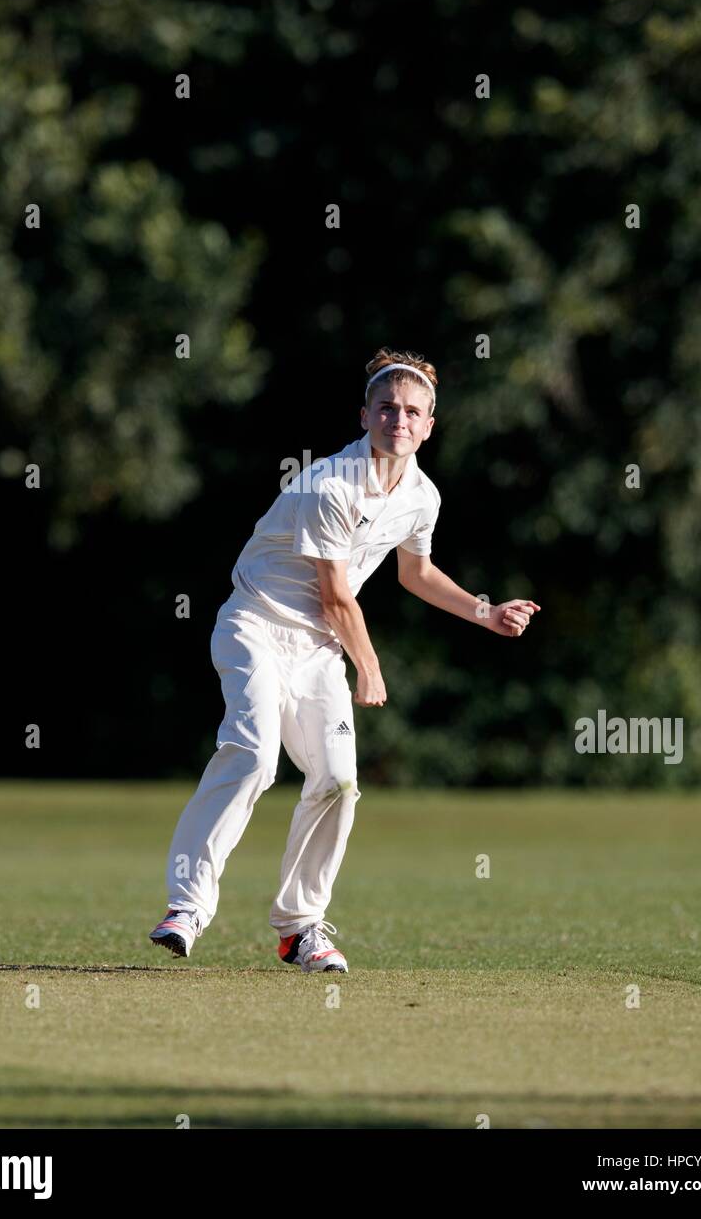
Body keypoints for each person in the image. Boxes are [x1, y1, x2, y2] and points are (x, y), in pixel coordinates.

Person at [149, 347, 540, 972]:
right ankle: (188, 907)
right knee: (253, 755)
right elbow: (335, 595)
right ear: (365, 415)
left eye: (413, 412)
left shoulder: (422, 497)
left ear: (429, 425)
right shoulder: (326, 483)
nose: (400, 420)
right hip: (256, 624)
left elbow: (416, 573)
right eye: (387, 408)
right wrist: (372, 667)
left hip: (319, 651)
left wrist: (484, 613)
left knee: (338, 781)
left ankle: (299, 927)